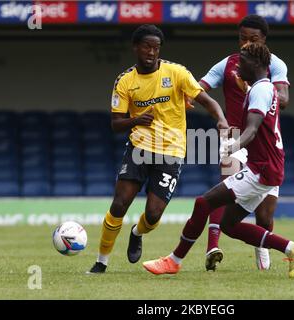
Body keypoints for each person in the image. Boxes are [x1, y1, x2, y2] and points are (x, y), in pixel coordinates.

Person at [142, 42, 294, 279]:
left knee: (203, 203)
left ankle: (174, 260)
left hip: (260, 169)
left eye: (241, 62)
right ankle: (293, 249)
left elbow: (252, 130)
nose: (236, 67)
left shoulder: (261, 90)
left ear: (255, 64)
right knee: (229, 225)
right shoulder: (263, 88)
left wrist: (233, 146)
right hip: (266, 167)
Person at [87, 24, 228, 274]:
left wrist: (220, 119)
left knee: (152, 215)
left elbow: (207, 100)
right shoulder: (125, 80)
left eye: (156, 47)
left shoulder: (176, 73)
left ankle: (137, 232)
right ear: (135, 48)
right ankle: (101, 261)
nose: (151, 52)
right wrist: (136, 120)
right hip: (139, 148)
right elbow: (115, 124)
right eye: (146, 46)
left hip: (171, 152)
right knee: (119, 204)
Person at [197, 14, 290, 271]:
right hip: (236, 137)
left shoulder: (275, 66)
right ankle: (212, 247)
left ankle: (262, 245)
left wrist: (260, 88)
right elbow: (198, 88)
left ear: (264, 41)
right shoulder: (227, 64)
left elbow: (283, 98)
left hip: (263, 143)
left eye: (253, 39)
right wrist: (218, 115)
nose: (246, 43)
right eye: (242, 38)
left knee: (264, 216)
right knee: (224, 188)